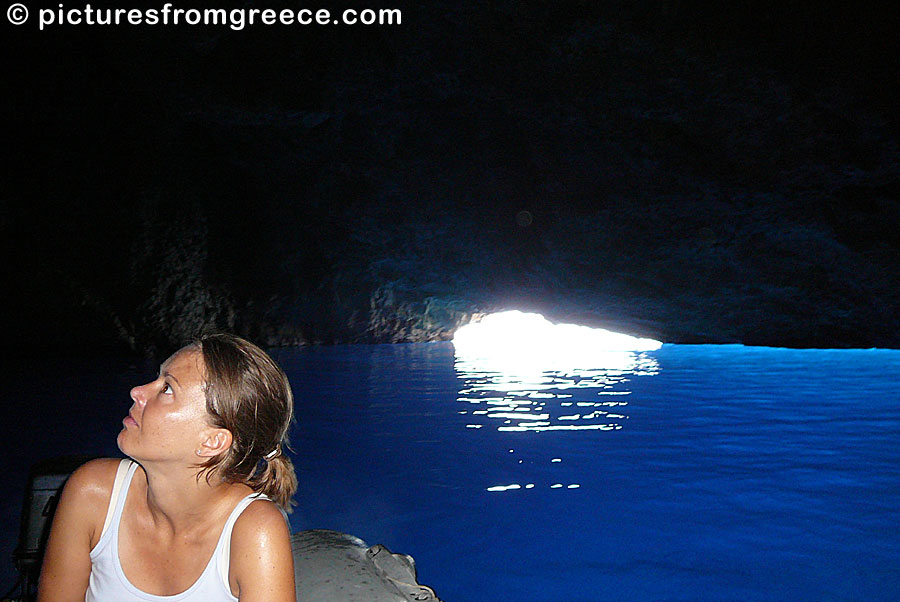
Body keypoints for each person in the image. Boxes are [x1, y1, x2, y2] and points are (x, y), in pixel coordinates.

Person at [36, 333, 298, 602]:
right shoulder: (93, 494)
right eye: (157, 378)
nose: (137, 392)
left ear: (211, 441)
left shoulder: (254, 532)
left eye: (167, 389)